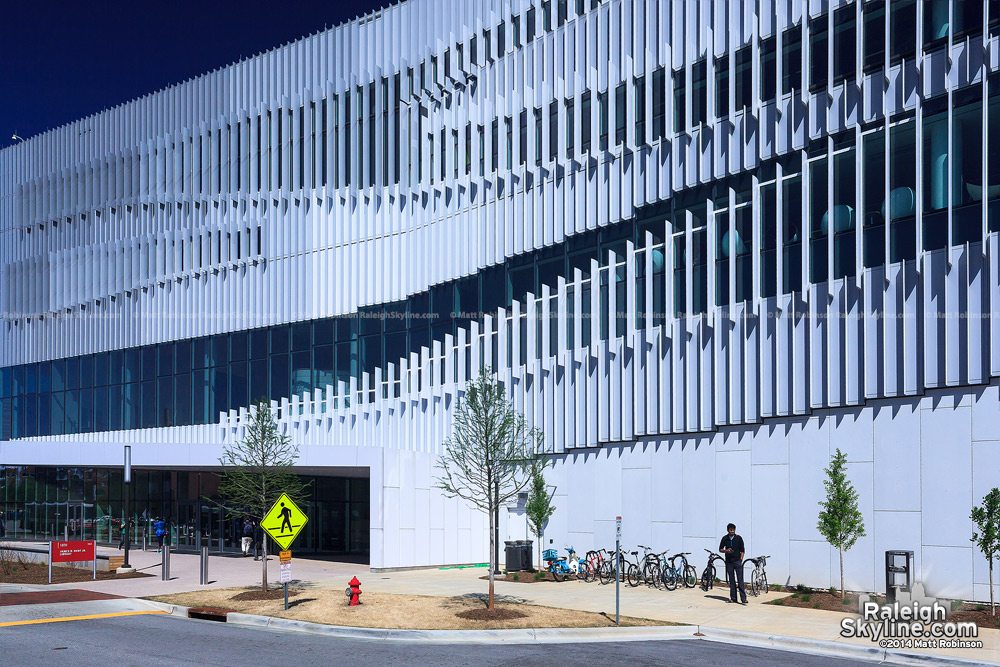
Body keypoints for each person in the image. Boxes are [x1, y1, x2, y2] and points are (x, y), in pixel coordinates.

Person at [719, 522, 747, 604]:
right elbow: (720, 549)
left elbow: (743, 550)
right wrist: (726, 551)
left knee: (740, 580)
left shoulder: (738, 538)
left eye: (733, 530)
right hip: (729, 562)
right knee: (732, 580)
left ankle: (743, 598)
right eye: (731, 530)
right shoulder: (725, 538)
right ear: (728, 530)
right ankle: (733, 598)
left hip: (737, 561)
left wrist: (741, 560)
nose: (732, 531)